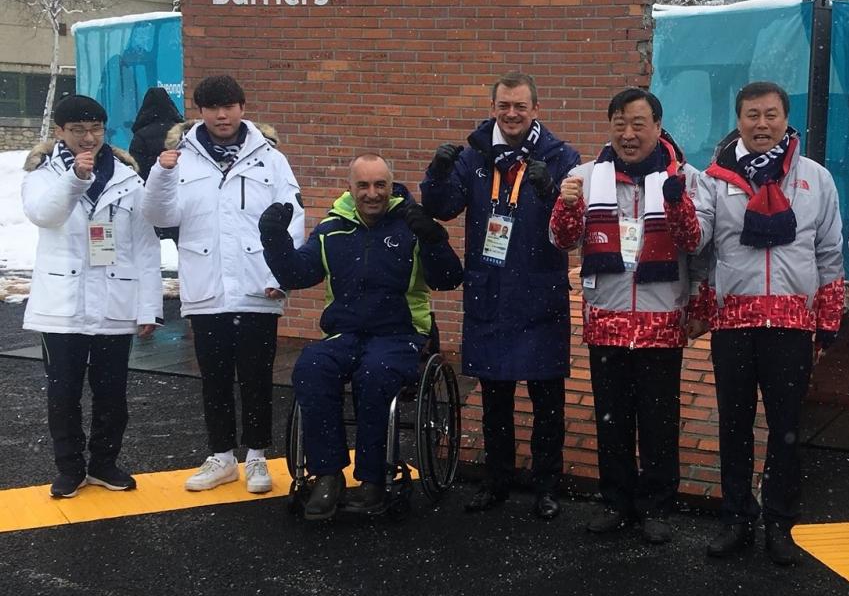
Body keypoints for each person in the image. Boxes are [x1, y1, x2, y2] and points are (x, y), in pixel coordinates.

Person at [260, 154, 462, 520]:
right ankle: (327, 476)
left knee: (375, 374)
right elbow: (297, 274)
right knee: (311, 368)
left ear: (391, 185)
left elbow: (448, 279)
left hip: (399, 333)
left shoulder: (410, 224)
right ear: (350, 189)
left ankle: (372, 480)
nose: (372, 194)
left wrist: (434, 240)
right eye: (363, 186)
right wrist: (274, 240)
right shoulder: (332, 229)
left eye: (380, 185)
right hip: (344, 333)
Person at [692, 81, 845, 566]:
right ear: (738, 120)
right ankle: (736, 518)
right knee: (734, 427)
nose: (762, 124)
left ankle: (780, 524)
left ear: (785, 118)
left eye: (771, 115)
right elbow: (698, 246)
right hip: (734, 324)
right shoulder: (714, 179)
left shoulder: (815, 178)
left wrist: (828, 316)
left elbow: (828, 252)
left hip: (791, 324)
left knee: (785, 430)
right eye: (752, 115)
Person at [549, 88, 707, 544]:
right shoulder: (583, 176)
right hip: (608, 318)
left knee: (658, 422)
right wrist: (566, 204)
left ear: (658, 127)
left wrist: (697, 303)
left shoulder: (686, 179)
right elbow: (562, 239)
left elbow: (696, 246)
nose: (628, 133)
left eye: (639, 123)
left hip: (661, 322)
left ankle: (658, 506)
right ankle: (616, 502)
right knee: (612, 420)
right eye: (620, 123)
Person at [421, 73, 579, 519]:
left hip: (540, 291)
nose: (512, 114)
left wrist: (553, 194)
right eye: (504, 106)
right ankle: (498, 482)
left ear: (536, 109)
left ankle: (547, 486)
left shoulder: (561, 156)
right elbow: (442, 206)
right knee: (495, 402)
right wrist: (435, 173)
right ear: (493, 108)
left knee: (548, 403)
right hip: (490, 292)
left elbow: (572, 225)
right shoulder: (474, 156)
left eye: (520, 107)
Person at [142, 75, 304, 494]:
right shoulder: (181, 158)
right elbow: (161, 217)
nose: (221, 114)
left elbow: (293, 218)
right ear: (199, 112)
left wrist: (279, 275)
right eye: (212, 107)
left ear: (242, 107)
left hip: (257, 286)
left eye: (229, 106)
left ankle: (256, 457)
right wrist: (160, 174)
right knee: (213, 377)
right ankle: (222, 456)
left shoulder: (270, 158)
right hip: (206, 286)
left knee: (256, 376)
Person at [22, 95, 162, 498]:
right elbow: (42, 214)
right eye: (79, 130)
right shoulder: (42, 174)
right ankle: (70, 467)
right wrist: (75, 179)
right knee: (63, 393)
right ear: (60, 133)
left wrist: (148, 305)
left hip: (115, 301)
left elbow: (145, 246)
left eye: (96, 129)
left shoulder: (127, 177)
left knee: (112, 393)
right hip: (62, 304)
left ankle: (104, 463)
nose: (89, 138)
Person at [128, 87, 183, 182]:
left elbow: (136, 167)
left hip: (151, 186)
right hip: (180, 185)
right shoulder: (182, 131)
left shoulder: (141, 135)